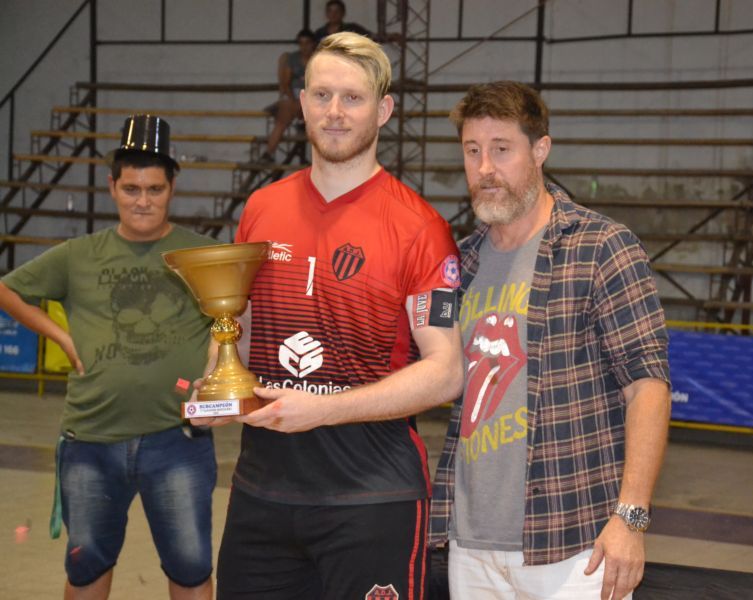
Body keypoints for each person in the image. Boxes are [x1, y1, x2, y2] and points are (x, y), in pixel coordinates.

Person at [197, 32, 463, 599]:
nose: (334, 112)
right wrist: (217, 392)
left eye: (352, 98)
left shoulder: (419, 227)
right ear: (301, 102)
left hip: (372, 498)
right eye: (321, 95)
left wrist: (326, 409)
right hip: (262, 494)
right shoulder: (262, 208)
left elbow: (445, 371)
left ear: (384, 110)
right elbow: (236, 331)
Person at [428, 81, 671, 600]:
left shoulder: (602, 247)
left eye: (501, 150)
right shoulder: (460, 263)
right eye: (473, 151)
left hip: (574, 543)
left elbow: (647, 388)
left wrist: (630, 518)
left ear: (540, 150)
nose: (485, 168)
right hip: (470, 543)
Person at [0, 115, 217, 599]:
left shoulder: (201, 254)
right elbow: (8, 291)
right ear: (113, 186)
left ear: (172, 187)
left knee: (191, 567)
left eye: (155, 189)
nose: (144, 201)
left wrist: (212, 370)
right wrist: (59, 334)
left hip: (177, 440)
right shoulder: (78, 255)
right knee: (87, 567)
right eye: (133, 188)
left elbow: (230, 321)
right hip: (91, 440)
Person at [262, 28, 316, 162]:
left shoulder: (320, 59)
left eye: (307, 43)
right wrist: (294, 100)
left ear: (313, 44)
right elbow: (285, 84)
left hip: (314, 97)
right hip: (295, 96)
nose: (304, 47)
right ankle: (268, 154)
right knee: (281, 122)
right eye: (301, 43)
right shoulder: (292, 59)